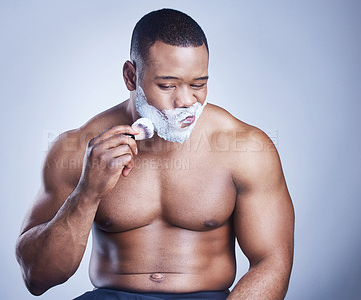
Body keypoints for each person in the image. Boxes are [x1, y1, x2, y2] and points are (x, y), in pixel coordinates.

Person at [16, 8, 294, 300]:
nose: (186, 101)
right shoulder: (78, 147)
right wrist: (87, 193)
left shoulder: (246, 147)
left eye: (198, 84)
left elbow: (273, 262)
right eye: (168, 85)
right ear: (131, 76)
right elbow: (37, 277)